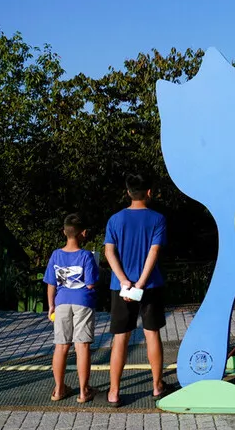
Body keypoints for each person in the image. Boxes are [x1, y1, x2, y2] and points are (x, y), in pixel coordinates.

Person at [104, 173, 169, 406]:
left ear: (128, 192)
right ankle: (157, 386)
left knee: (121, 338)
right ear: (149, 192)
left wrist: (124, 281)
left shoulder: (114, 220)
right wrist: (141, 283)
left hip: (119, 287)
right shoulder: (158, 219)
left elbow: (109, 252)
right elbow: (154, 252)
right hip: (150, 284)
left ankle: (113, 392)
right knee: (152, 333)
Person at [44, 213, 99, 403]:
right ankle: (84, 392)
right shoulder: (86, 256)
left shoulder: (56, 255)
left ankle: (59, 390)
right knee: (82, 345)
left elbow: (51, 283)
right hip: (83, 302)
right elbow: (91, 284)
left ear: (64, 232)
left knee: (61, 346)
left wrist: (51, 305)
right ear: (83, 233)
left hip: (61, 302)